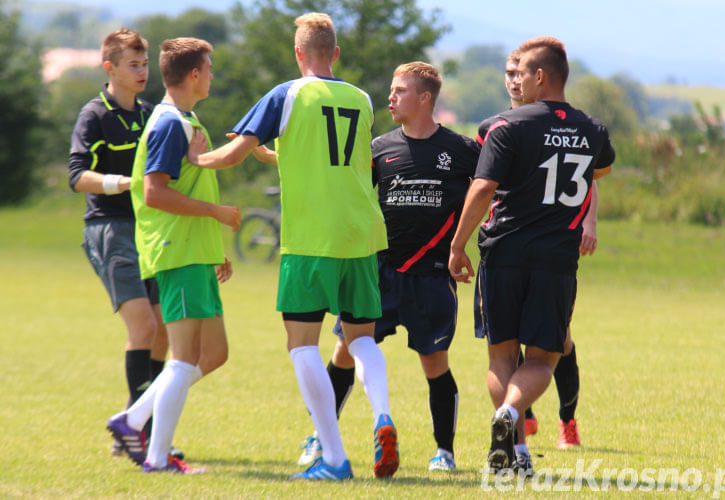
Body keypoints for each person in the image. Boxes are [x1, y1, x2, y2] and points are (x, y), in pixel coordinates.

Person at [187, 12, 398, 481]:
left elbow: (230, 155)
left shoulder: (287, 93)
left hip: (311, 238)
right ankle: (383, 415)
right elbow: (343, 159)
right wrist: (279, 153)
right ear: (335, 54)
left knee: (302, 343)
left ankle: (335, 457)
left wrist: (192, 157)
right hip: (362, 232)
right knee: (361, 338)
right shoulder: (361, 98)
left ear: (298, 53)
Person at [296, 62, 479, 472]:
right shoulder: (379, 147)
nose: (391, 98)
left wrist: (463, 243)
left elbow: (486, 194)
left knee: (435, 362)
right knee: (344, 352)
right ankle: (319, 439)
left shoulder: (463, 151)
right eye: (391, 90)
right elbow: (347, 189)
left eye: (400, 91)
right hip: (377, 272)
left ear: (425, 97)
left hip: (432, 275)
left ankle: (444, 453)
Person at [448, 36, 614, 476]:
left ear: (540, 76)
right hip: (557, 260)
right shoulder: (594, 130)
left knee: (502, 357)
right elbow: (602, 169)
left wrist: (457, 243)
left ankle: (510, 436)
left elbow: (482, 188)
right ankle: (514, 434)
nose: (516, 80)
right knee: (542, 359)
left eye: (521, 73)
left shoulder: (505, 126)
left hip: (503, 253)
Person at [106, 37, 240, 474]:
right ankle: (157, 458)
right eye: (210, 67)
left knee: (213, 354)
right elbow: (155, 192)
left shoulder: (186, 118)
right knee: (182, 360)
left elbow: (185, 186)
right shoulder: (168, 123)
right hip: (176, 252)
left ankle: (132, 418)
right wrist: (217, 214)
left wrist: (213, 245)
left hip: (195, 252)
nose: (213, 75)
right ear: (195, 74)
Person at [67, 27, 176, 457]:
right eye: (133, 64)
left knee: (165, 332)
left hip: (147, 232)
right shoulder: (94, 114)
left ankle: (134, 425)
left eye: (145, 63)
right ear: (109, 67)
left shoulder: (149, 113)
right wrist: (123, 183)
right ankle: (136, 432)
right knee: (144, 328)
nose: (142, 71)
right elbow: (77, 176)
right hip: (110, 230)